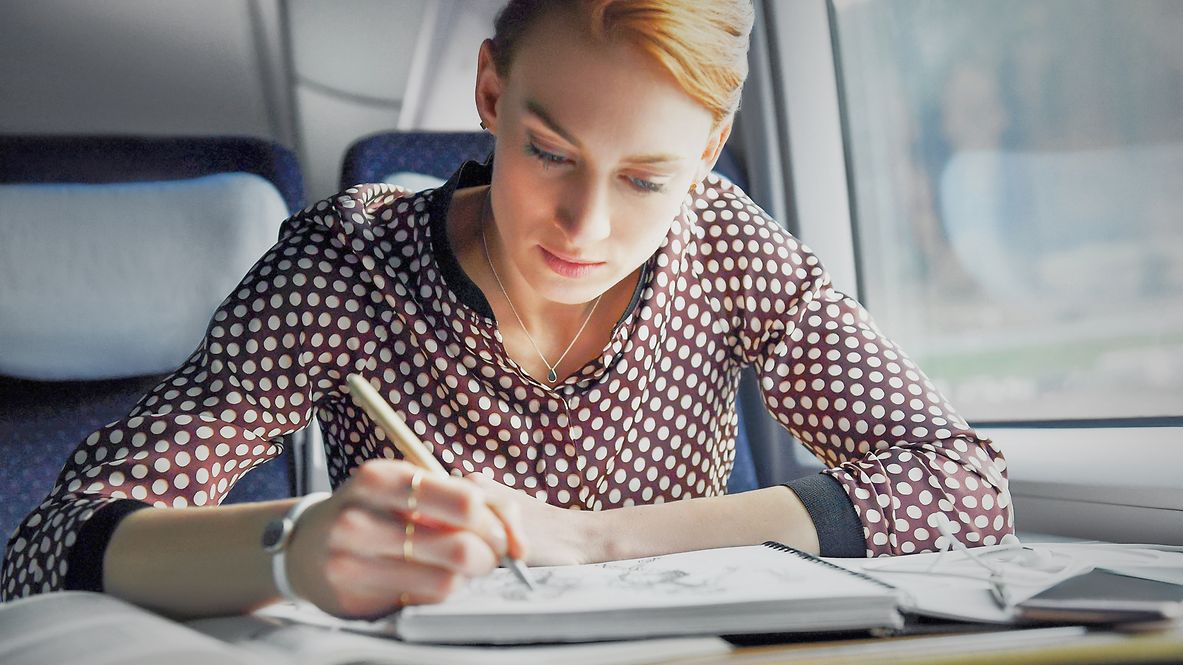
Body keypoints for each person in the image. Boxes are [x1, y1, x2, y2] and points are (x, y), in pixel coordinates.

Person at [1, 0, 1012, 620]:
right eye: (550, 152)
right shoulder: (350, 263)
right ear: (490, 93)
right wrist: (297, 544)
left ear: (705, 157)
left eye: (648, 179)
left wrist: (585, 539)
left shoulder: (727, 242)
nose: (587, 224)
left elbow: (962, 485)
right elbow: (52, 540)